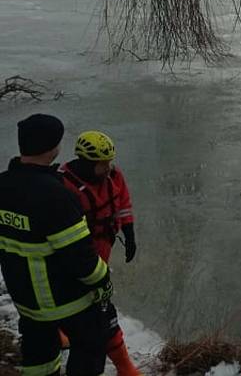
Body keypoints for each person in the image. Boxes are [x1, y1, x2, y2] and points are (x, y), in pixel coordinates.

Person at [0, 114, 114, 376]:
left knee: (39, 356)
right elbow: (81, 259)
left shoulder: (2, 186)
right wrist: (104, 281)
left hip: (25, 300)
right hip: (66, 299)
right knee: (90, 348)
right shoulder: (56, 195)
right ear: (54, 147)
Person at [59, 131, 140, 376]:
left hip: (103, 247)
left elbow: (123, 204)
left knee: (94, 302)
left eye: (109, 162)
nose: (108, 168)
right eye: (102, 164)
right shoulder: (64, 186)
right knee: (93, 306)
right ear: (86, 162)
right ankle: (122, 365)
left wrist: (129, 233)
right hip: (76, 255)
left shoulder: (114, 177)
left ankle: (65, 328)